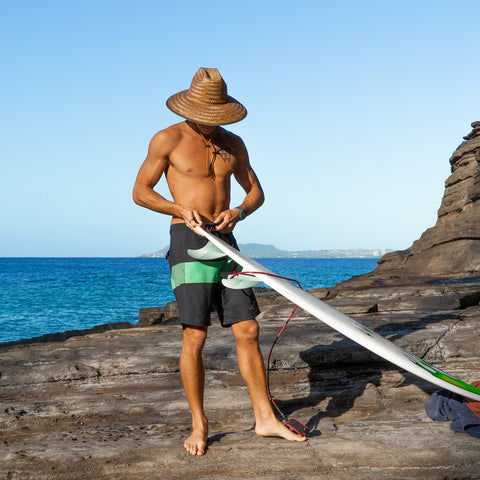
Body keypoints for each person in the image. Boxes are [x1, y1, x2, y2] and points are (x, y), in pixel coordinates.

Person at [132, 67, 306, 456]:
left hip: (226, 240)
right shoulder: (168, 138)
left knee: (247, 329)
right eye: (206, 117)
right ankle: (199, 422)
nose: (212, 124)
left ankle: (264, 418)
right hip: (187, 240)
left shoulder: (234, 142)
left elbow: (256, 191)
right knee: (196, 332)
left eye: (218, 117)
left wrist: (240, 212)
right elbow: (140, 192)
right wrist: (178, 207)